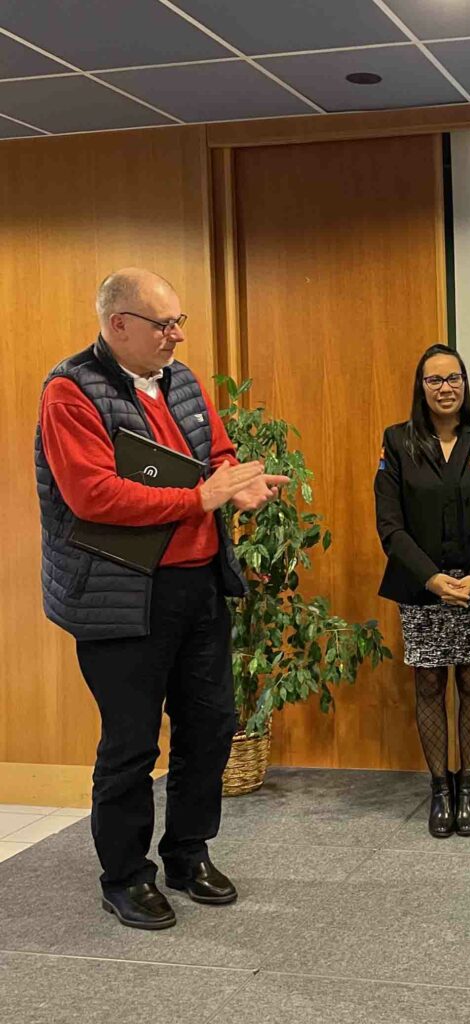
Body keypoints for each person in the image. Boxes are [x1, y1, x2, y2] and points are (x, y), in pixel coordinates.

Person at [36, 268, 288, 930]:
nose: (176, 335)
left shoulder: (183, 379)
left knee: (209, 727)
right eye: (164, 324)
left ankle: (187, 854)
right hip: (122, 597)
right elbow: (93, 494)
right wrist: (199, 498)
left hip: (198, 584)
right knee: (131, 744)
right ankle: (124, 875)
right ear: (118, 325)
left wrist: (239, 485)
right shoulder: (69, 392)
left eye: (180, 322)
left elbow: (218, 453)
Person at [375, 344, 470, 838]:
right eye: (435, 380)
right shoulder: (398, 441)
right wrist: (433, 579)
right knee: (430, 684)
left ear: (465, 383)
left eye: (453, 378)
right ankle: (440, 788)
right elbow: (390, 526)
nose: (446, 387)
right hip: (422, 588)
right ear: (422, 387)